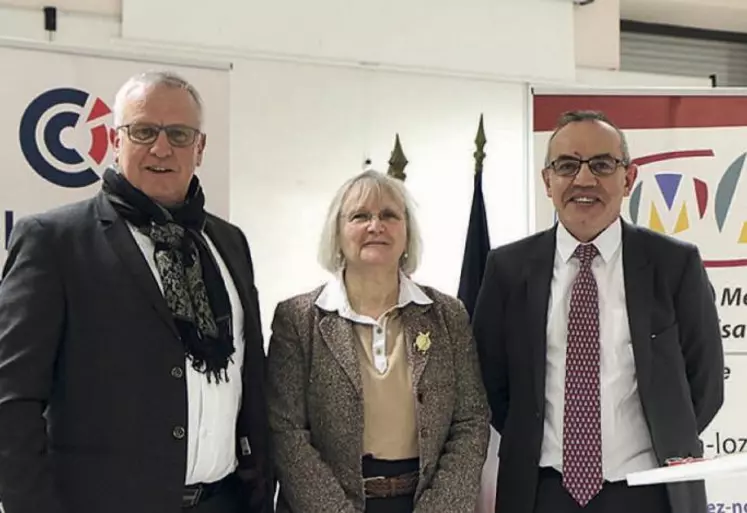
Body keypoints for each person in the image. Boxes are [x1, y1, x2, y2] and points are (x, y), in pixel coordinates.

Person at [0, 71, 274, 513]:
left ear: (199, 148)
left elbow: (250, 377)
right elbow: (11, 400)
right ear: (114, 140)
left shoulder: (229, 243)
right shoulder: (54, 241)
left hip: (225, 502)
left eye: (179, 134)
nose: (161, 148)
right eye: (143, 131)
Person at [473, 110, 724, 513]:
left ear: (628, 178)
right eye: (567, 166)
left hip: (650, 494)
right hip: (542, 493)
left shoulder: (675, 265)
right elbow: (492, 385)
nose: (584, 180)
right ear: (547, 182)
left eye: (602, 165)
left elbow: (705, 384)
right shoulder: (507, 270)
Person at [266, 170, 490, 513]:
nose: (376, 226)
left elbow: (471, 421)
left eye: (389, 215)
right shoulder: (297, 319)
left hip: (423, 502)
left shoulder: (447, 315)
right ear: (337, 234)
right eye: (360, 216)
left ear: (407, 233)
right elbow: (285, 431)